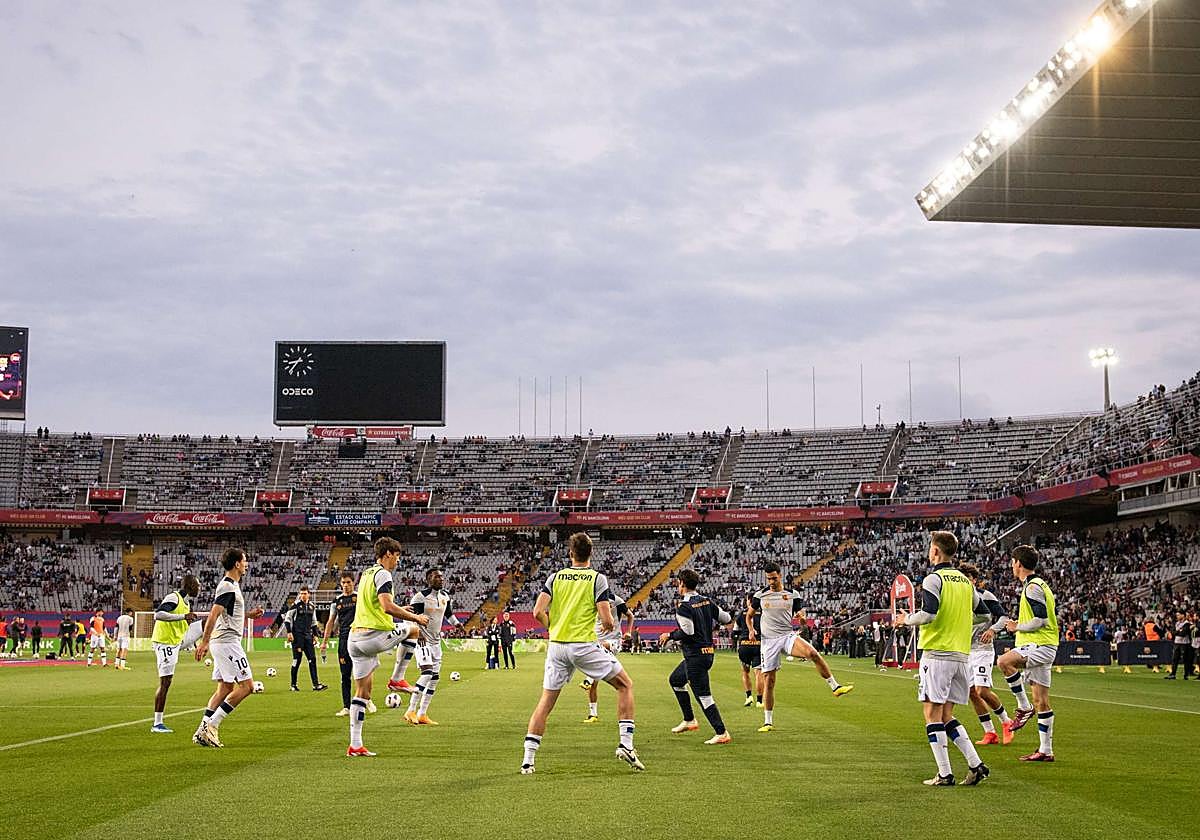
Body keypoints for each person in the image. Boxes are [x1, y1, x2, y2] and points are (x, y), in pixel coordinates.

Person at [520, 532, 641, 774]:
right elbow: (607, 620)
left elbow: (537, 612)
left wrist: (554, 627)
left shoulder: (554, 577)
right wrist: (606, 627)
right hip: (583, 645)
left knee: (545, 702)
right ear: (591, 553)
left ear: (570, 553)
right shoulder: (597, 579)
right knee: (625, 685)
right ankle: (626, 744)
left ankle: (528, 761)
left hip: (556, 646)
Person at [895, 531, 990, 786]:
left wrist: (906, 619)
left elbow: (928, 615)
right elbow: (985, 616)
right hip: (961, 656)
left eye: (930, 548)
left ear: (936, 551)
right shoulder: (964, 582)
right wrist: (961, 624)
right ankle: (975, 764)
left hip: (937, 655)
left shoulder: (933, 579)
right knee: (947, 714)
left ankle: (945, 774)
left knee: (931, 714)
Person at [346, 537, 429, 756]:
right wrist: (415, 617)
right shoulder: (384, 574)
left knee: (363, 692)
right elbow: (386, 606)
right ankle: (397, 678)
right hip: (372, 637)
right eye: (397, 555)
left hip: (354, 639)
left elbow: (375, 605)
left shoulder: (366, 573)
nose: (398, 560)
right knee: (413, 629)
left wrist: (398, 608)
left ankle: (355, 745)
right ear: (389, 554)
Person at [748, 562, 853, 733]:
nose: (772, 582)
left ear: (780, 575)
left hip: (787, 636)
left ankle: (835, 687)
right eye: (769, 579)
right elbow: (749, 616)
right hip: (768, 641)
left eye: (774, 578)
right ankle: (768, 721)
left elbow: (800, 615)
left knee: (812, 653)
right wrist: (751, 629)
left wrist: (802, 619)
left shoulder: (792, 595)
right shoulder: (760, 596)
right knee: (769, 681)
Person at [193, 549, 265, 748]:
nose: (247, 563)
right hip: (227, 643)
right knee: (247, 687)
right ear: (237, 564)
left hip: (224, 642)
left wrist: (249, 615)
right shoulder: (227, 586)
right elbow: (214, 614)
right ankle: (212, 726)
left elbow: (228, 613)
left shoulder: (232, 586)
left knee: (225, 688)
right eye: (245, 560)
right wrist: (204, 641)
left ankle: (202, 730)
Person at [997, 544, 1059, 762]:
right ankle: (1046, 750)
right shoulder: (1040, 585)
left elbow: (1040, 620)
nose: (1012, 566)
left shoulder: (1032, 587)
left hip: (1039, 644)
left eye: (1013, 562)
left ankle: (1023, 707)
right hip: (1045, 644)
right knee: (1041, 700)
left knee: (1004, 661)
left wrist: (1017, 626)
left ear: (1019, 564)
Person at [662, 569, 732, 745]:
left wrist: (669, 636)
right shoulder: (707, 601)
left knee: (704, 696)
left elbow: (688, 631)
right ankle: (689, 720)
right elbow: (726, 618)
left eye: (678, 583)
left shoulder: (683, 607)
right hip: (707, 653)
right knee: (676, 680)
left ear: (682, 584)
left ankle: (721, 732)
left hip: (695, 656)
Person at [957, 563, 1014, 745]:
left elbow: (1003, 616)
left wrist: (993, 630)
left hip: (982, 650)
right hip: (966, 651)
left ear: (974, 580)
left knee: (982, 690)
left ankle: (1006, 721)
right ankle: (990, 733)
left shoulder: (985, 596)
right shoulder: (957, 599)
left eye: (968, 577)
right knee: (972, 693)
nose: (965, 581)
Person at [403, 568, 462, 725]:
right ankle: (410, 710)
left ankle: (422, 714)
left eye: (442, 577)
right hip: (422, 640)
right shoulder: (421, 597)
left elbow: (448, 614)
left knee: (435, 678)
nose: (441, 579)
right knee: (427, 673)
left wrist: (457, 625)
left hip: (436, 642)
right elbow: (411, 617)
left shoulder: (444, 596)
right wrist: (418, 633)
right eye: (437, 577)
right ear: (429, 579)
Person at [150, 575, 205, 733]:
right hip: (165, 643)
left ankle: (206, 646)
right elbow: (158, 614)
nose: (199, 588)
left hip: (178, 640)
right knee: (166, 683)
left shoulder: (186, 603)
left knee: (206, 622)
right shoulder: (173, 597)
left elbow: (182, 624)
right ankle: (157, 723)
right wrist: (183, 616)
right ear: (190, 586)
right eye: (197, 585)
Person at [322, 572, 374, 717]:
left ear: (353, 583)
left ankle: (367, 699)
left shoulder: (359, 598)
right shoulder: (336, 601)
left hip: (360, 638)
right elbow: (331, 622)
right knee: (345, 675)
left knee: (364, 672)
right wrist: (325, 641)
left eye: (348, 582)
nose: (345, 585)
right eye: (343, 582)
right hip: (344, 640)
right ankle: (346, 707)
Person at [582, 589, 633, 723]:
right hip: (596, 641)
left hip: (613, 641)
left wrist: (628, 632)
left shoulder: (617, 601)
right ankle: (593, 714)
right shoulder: (592, 601)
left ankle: (588, 679)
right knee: (594, 684)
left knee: (600, 647)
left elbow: (630, 615)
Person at [284, 586, 327, 692]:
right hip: (297, 637)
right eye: (301, 593)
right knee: (296, 661)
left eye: (305, 593)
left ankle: (316, 684)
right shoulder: (295, 606)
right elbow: (287, 619)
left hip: (308, 637)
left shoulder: (312, 606)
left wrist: (316, 635)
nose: (303, 595)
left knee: (312, 660)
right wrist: (289, 632)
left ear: (309, 594)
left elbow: (314, 622)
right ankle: (293, 685)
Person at [735, 597, 764, 708]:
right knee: (758, 673)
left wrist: (740, 636)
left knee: (745, 672)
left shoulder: (741, 614)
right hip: (758, 644)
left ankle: (748, 697)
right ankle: (760, 701)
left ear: (748, 601)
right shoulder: (763, 613)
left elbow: (735, 631)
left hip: (744, 645)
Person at [1166, 610, 1193, 680]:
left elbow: (1183, 633)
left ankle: (1186, 674)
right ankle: (1173, 674)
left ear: (1183, 615)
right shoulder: (1176, 623)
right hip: (1177, 643)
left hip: (1184, 643)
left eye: (1178, 615)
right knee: (1174, 659)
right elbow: (1172, 632)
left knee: (1185, 659)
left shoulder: (1187, 624)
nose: (1177, 616)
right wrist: (1178, 631)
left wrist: (1176, 632)